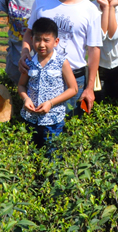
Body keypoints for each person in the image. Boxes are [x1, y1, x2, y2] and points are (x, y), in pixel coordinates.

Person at [20, 0, 102, 115]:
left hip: (73, 78)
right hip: (40, 74)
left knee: (68, 129)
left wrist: (90, 88)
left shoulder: (90, 10)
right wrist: (24, 53)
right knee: (37, 123)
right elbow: (29, 33)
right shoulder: (42, 2)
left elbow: (94, 50)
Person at [18, 17, 78, 154]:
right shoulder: (29, 62)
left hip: (53, 121)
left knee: (52, 157)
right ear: (32, 40)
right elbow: (21, 85)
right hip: (30, 119)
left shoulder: (62, 62)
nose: (41, 44)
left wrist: (50, 103)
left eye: (46, 40)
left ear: (56, 42)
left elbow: (73, 88)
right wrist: (26, 99)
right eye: (37, 39)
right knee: (30, 156)